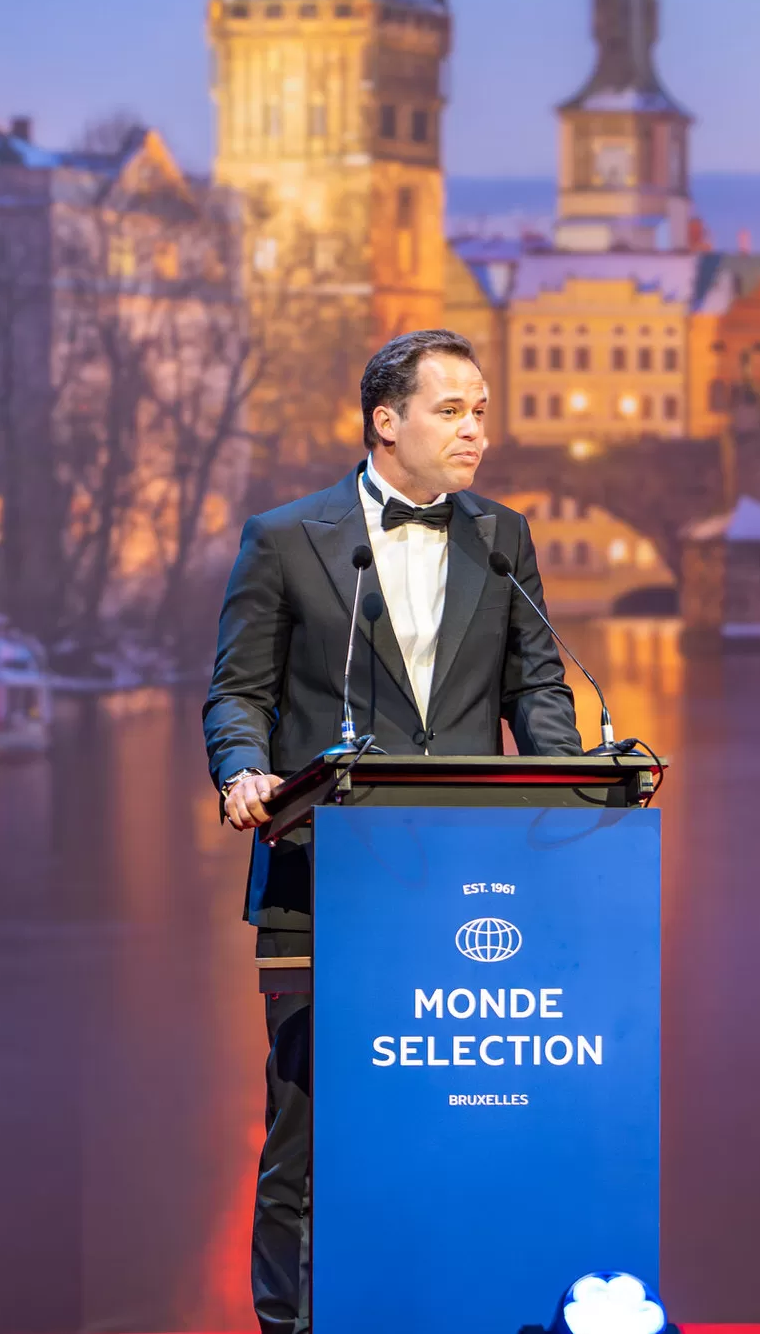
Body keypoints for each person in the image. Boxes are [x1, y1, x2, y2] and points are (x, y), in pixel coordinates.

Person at [201, 328, 583, 1334]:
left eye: (481, 411)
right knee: (308, 1131)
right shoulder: (287, 538)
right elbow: (238, 691)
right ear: (387, 420)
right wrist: (243, 769)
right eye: (452, 409)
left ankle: (459, 1303)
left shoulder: (502, 536)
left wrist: (571, 796)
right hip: (320, 878)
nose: (475, 431)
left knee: (462, 1115)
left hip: (468, 881)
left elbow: (535, 685)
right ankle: (291, 1324)